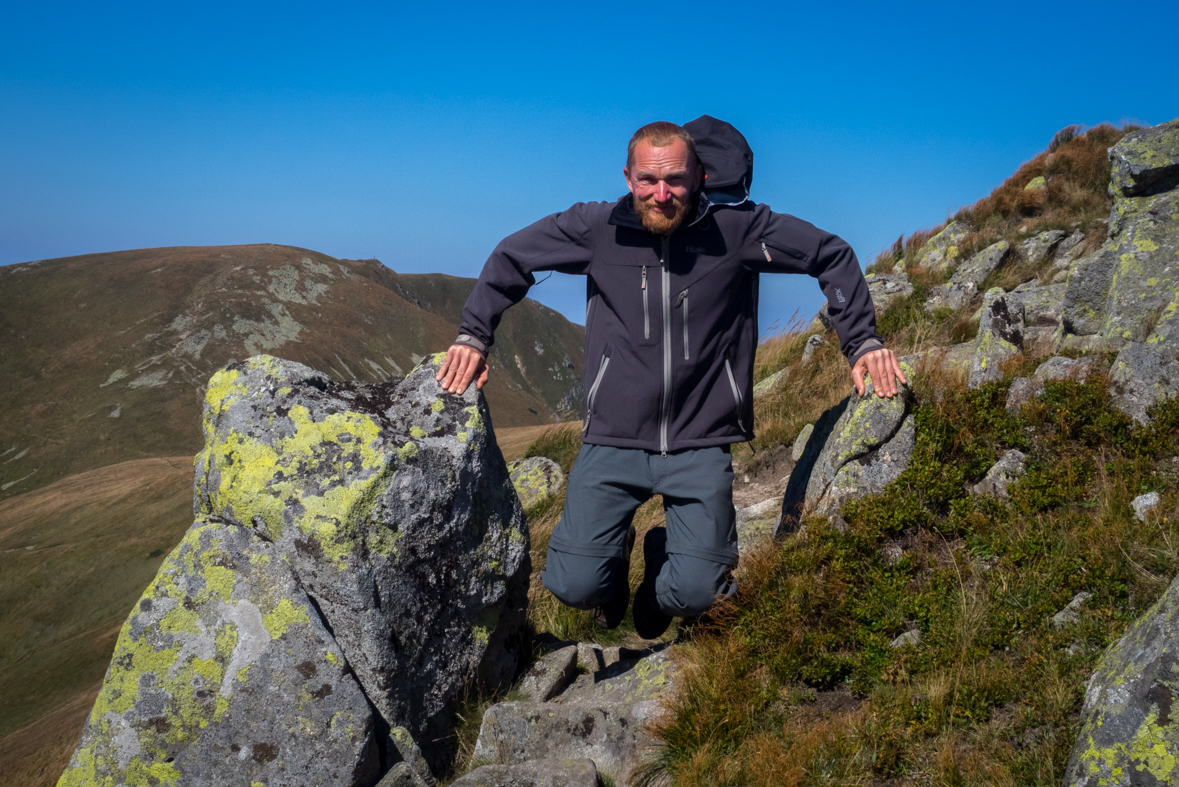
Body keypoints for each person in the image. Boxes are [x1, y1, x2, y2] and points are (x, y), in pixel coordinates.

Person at [436, 117, 906, 639]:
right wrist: (474, 336)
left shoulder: (738, 230)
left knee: (698, 594)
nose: (661, 194)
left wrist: (863, 341)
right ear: (628, 176)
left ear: (699, 176)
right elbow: (513, 257)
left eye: (676, 180)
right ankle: (610, 573)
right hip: (613, 437)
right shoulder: (597, 228)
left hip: (701, 442)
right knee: (573, 585)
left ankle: (662, 565)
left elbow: (830, 255)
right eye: (648, 180)